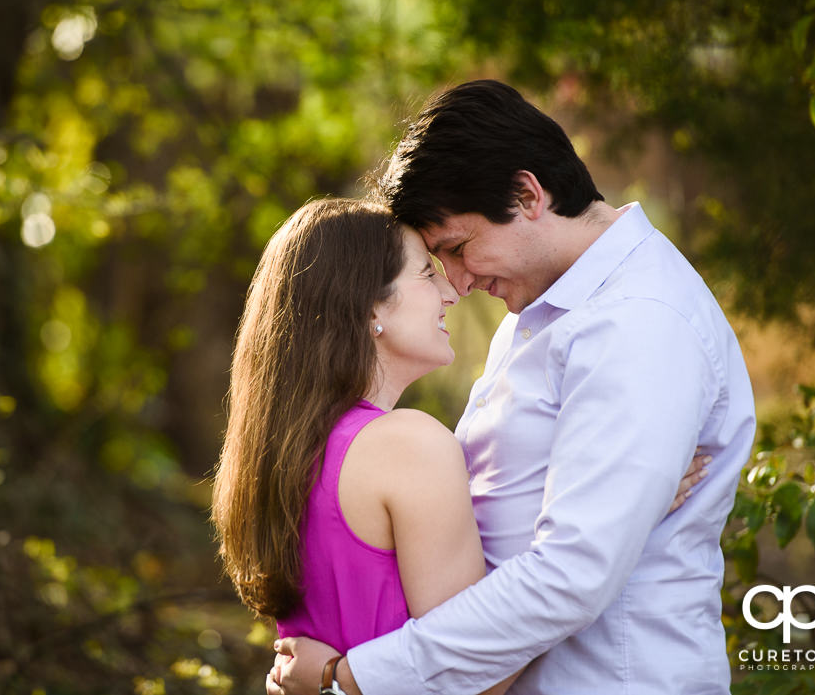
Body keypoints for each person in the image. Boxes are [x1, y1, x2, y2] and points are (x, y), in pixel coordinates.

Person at [271, 80, 755, 695]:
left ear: (527, 195)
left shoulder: (641, 320)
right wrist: (633, 503)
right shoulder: (544, 311)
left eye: (458, 248)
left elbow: (572, 574)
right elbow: (497, 516)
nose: (458, 282)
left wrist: (354, 679)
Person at [211, 196, 708, 695]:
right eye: (426, 274)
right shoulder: (408, 445)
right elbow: (482, 676)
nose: (450, 291)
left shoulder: (283, 455)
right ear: (368, 307)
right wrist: (623, 507)